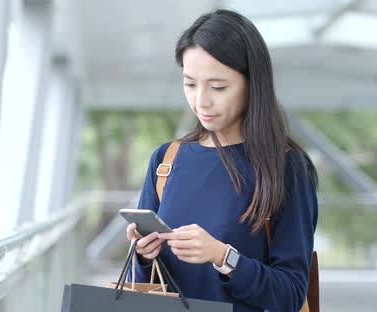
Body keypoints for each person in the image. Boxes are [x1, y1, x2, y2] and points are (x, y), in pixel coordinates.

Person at [125, 9, 318, 312]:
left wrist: (223, 256)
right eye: (190, 84)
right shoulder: (166, 160)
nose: (201, 100)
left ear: (252, 84)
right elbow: (148, 287)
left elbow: (290, 294)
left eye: (217, 87)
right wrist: (143, 255)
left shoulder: (286, 167)